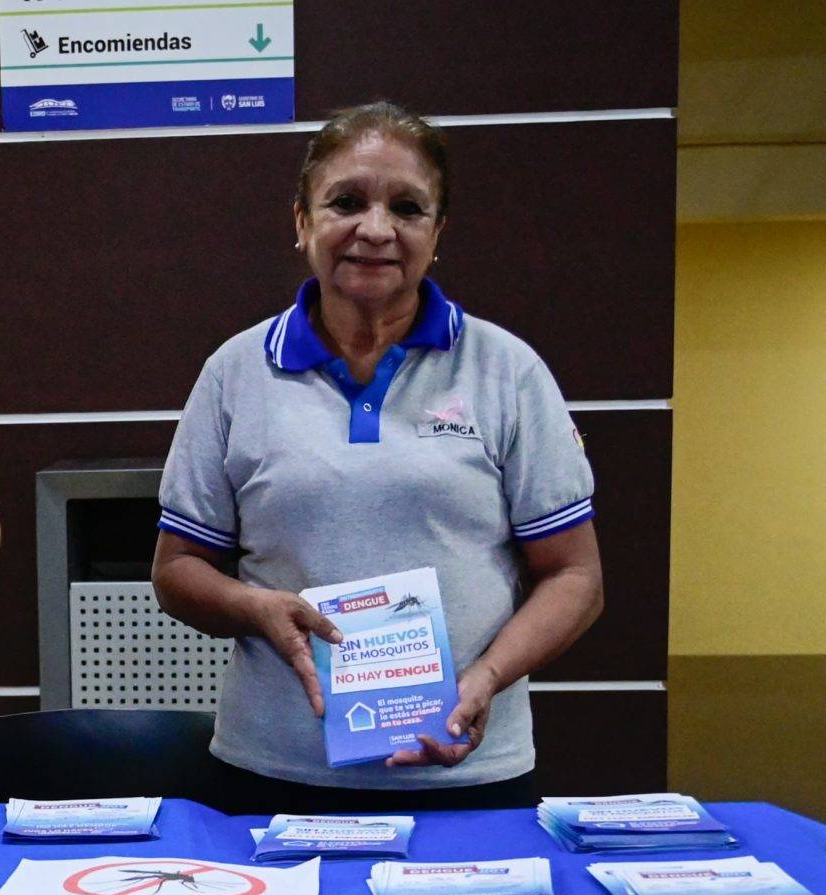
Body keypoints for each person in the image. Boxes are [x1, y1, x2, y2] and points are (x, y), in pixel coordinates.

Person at [153, 103, 604, 814]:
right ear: (301, 221)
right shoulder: (235, 373)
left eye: (407, 207)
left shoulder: (505, 370)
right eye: (346, 201)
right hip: (273, 774)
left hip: (467, 776)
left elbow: (575, 575)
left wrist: (485, 678)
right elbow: (177, 571)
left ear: (437, 233)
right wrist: (254, 607)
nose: (375, 228)